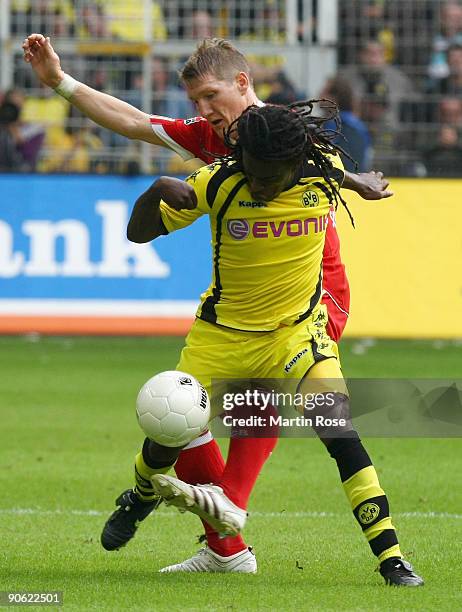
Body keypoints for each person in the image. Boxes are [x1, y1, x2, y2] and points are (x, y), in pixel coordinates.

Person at [22, 35, 393, 571]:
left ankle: (228, 514)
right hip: (242, 298)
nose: (203, 111)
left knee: (258, 395)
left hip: (315, 292)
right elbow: (131, 120)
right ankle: (225, 546)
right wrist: (59, 82)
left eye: (211, 96)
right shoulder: (208, 137)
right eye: (195, 102)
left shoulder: (287, 130)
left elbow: (332, 165)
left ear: (244, 84)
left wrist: (359, 183)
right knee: (183, 412)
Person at [125, 102, 423, 585]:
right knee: (169, 426)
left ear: (294, 165)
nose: (262, 187)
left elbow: (328, 166)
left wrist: (358, 183)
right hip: (221, 333)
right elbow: (137, 236)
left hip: (297, 335)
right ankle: (142, 495)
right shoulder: (218, 183)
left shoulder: (322, 179)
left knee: (340, 433)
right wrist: (155, 191)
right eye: (255, 175)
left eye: (272, 178)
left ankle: (392, 557)